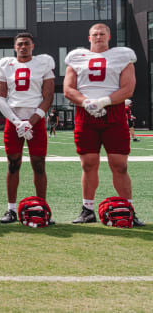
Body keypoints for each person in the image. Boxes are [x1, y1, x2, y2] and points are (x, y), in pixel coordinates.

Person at [64, 23, 144, 225]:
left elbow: (128, 88)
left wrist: (103, 101)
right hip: (85, 113)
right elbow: (68, 88)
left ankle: (128, 209)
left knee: (120, 165)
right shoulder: (76, 57)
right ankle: (87, 209)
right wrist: (86, 102)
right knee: (88, 163)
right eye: (94, 34)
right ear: (89, 38)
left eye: (102, 34)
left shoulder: (122, 56)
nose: (98, 36)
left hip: (113, 113)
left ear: (109, 37)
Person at [0, 32, 55, 223]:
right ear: (15, 47)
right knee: (13, 164)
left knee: (39, 164)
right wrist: (17, 122)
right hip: (13, 120)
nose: (23, 47)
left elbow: (48, 97)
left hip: (35, 120)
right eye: (19, 44)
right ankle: (11, 209)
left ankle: (42, 207)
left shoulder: (43, 63)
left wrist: (31, 121)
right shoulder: (6, 65)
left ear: (32, 46)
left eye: (26, 44)